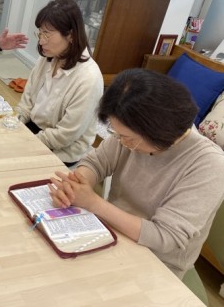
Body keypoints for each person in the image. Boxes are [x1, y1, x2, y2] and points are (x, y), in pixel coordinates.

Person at [49, 68, 224, 279]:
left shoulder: (209, 164)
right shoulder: (130, 134)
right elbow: (96, 163)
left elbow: (165, 237)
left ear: (160, 131)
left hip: (157, 263)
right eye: (117, 134)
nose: (120, 141)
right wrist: (76, 186)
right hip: (111, 232)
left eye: (127, 138)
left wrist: (93, 203)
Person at [15, 0, 103, 166]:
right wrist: (15, 122)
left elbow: (65, 135)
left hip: (62, 149)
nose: (41, 41)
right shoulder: (48, 58)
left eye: (47, 34)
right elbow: (26, 103)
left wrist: (26, 143)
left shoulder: (88, 78)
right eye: (40, 33)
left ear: (71, 35)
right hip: (35, 131)